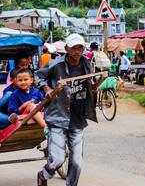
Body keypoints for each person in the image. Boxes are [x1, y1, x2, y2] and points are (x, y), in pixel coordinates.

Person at [35, 34, 97, 186]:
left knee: (77, 163)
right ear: (67, 48)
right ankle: (43, 174)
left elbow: (89, 81)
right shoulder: (56, 64)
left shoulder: (86, 63)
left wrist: (93, 86)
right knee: (57, 159)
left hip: (77, 118)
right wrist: (47, 88)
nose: (77, 51)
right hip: (58, 116)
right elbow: (38, 76)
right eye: (74, 48)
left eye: (80, 48)